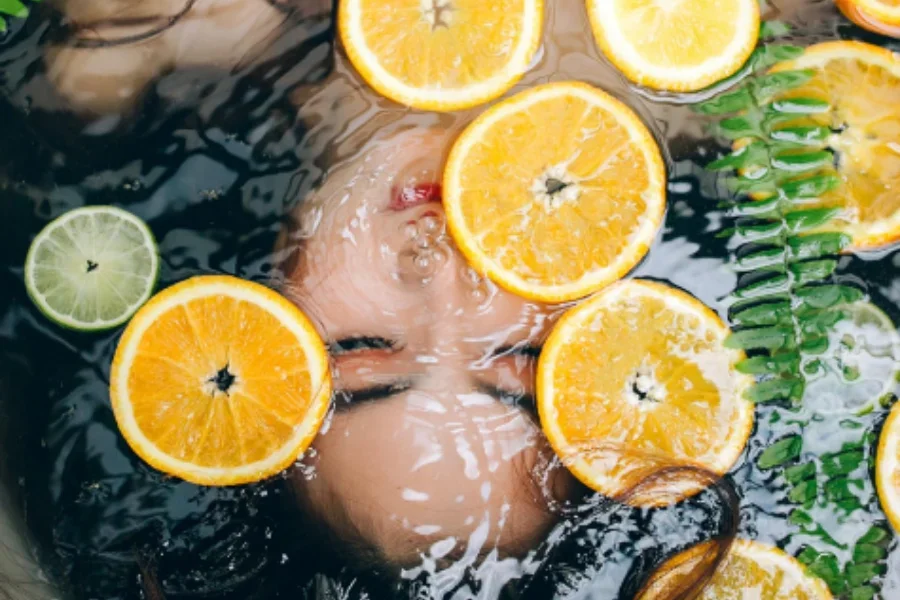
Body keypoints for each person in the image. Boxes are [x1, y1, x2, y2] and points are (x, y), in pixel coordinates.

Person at [0, 0, 740, 598]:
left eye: (362, 350)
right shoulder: (723, 69)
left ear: (268, 304)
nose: (441, 277)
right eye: (518, 354)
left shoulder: (141, 45)